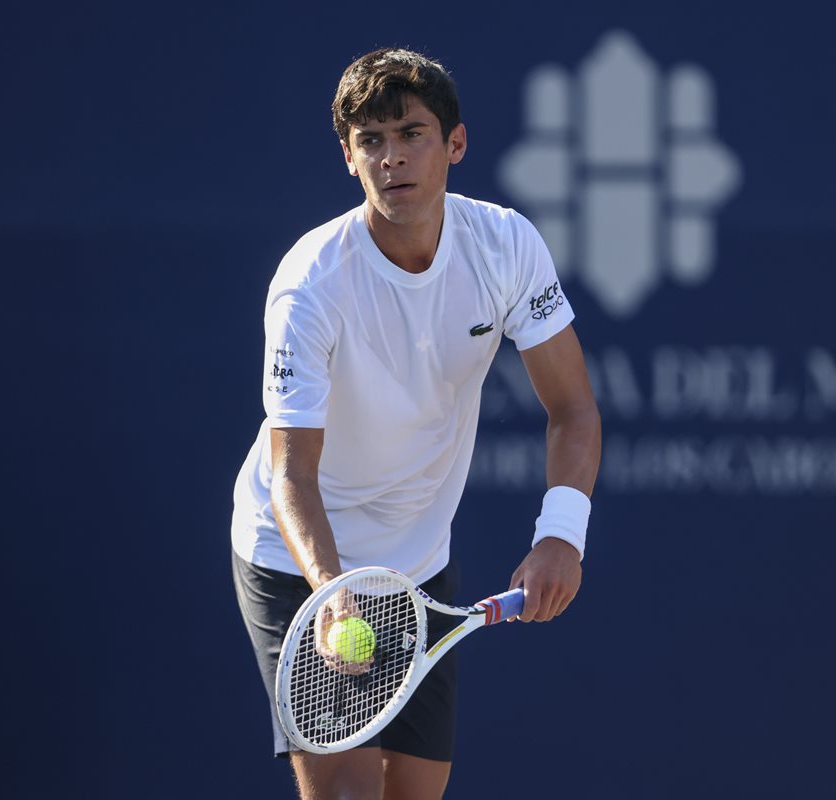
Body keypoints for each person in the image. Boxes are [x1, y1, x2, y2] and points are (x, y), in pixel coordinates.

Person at [231, 47, 601, 800]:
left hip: (417, 563)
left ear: (455, 144)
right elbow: (292, 473)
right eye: (370, 140)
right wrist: (331, 592)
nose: (391, 157)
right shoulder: (310, 284)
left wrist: (562, 534)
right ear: (349, 157)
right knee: (349, 794)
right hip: (300, 559)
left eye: (411, 134)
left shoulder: (505, 246)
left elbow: (573, 409)